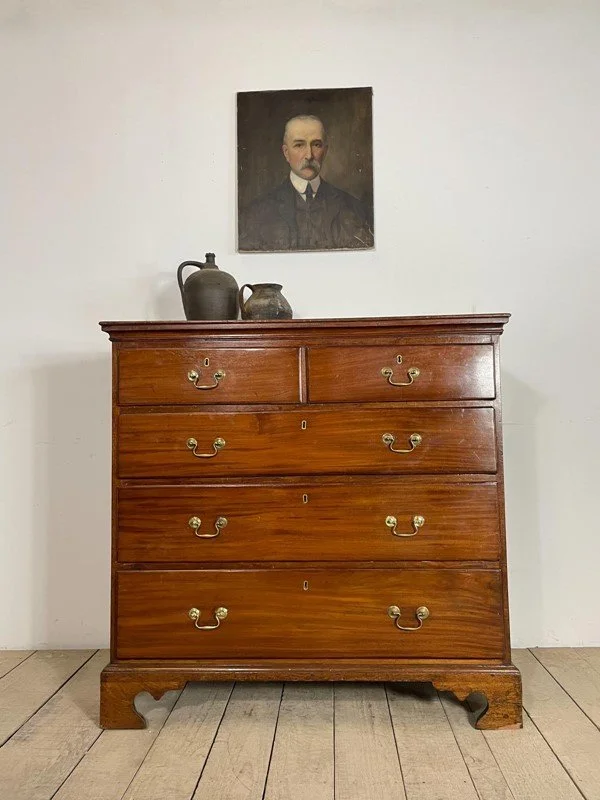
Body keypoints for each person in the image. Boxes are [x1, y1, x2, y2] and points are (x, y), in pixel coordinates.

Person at [238, 114, 374, 252]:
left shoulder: (356, 209)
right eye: (299, 145)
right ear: (286, 153)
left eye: (316, 145)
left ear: (325, 151)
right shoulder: (256, 213)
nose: (309, 155)